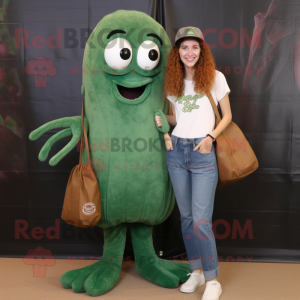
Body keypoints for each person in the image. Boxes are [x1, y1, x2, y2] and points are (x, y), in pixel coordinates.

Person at [155, 27, 232, 300]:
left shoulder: (215, 78)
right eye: (184, 47)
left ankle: (213, 280)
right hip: (176, 150)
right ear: (177, 52)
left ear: (202, 51)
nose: (190, 52)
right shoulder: (173, 81)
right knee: (187, 219)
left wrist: (211, 137)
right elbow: (178, 119)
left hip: (202, 150)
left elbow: (227, 116)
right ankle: (196, 272)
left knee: (201, 221)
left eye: (195, 47)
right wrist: (163, 121)